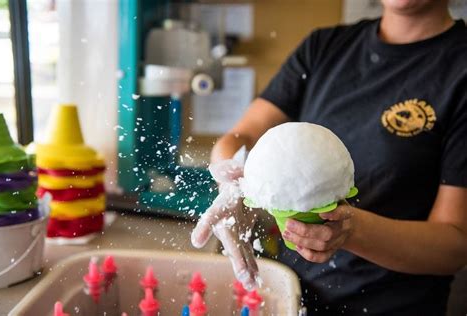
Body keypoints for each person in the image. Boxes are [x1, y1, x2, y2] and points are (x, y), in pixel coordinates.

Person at [192, 0, 467, 315]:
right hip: (295, 296)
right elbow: (241, 137)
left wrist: (351, 229)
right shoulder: (324, 47)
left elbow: (455, 243)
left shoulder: (460, 69)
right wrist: (234, 183)